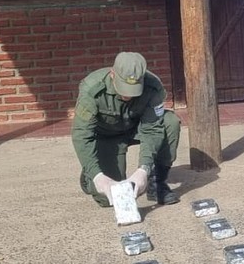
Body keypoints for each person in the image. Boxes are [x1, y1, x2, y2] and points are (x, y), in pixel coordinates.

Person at [71, 52, 180, 207]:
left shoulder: (153, 86)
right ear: (112, 74)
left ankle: (156, 182)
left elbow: (152, 129)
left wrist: (144, 169)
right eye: (124, 87)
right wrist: (97, 175)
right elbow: (82, 135)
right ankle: (90, 176)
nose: (128, 95)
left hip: (136, 129)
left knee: (170, 121)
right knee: (108, 198)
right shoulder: (92, 89)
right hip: (107, 136)